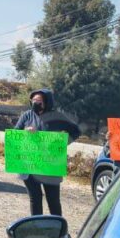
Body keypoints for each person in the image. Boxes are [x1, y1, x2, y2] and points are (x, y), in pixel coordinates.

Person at [15, 88, 81, 217]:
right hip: (30, 165)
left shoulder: (57, 117)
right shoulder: (26, 116)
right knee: (35, 198)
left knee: (53, 200)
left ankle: (59, 231)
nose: (35, 103)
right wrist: (25, 132)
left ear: (47, 101)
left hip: (50, 165)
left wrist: (62, 142)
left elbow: (76, 131)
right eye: (33, 100)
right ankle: (36, 228)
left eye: (39, 101)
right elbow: (15, 134)